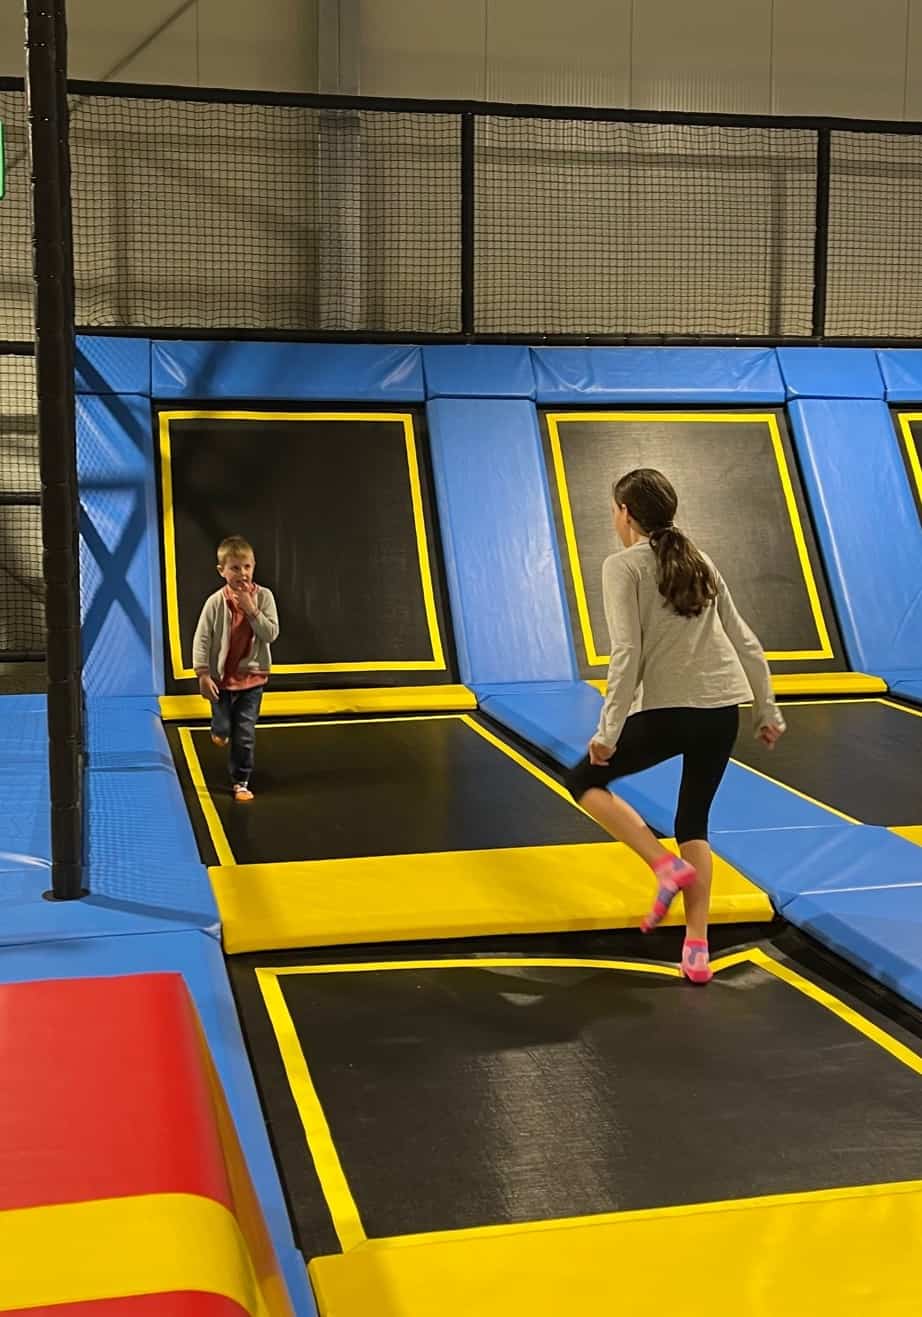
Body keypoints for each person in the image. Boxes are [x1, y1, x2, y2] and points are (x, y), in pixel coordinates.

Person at [565, 469, 785, 984]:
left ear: (626, 514)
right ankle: (697, 948)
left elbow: (626, 654)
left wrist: (607, 731)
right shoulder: (699, 560)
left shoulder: (623, 566)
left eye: (615, 511)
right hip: (721, 713)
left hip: (669, 711)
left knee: (582, 781)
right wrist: (766, 711)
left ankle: (662, 866)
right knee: (693, 823)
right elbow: (746, 641)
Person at [192, 535, 279, 803]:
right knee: (223, 727)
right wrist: (203, 674)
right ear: (222, 571)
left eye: (247, 567)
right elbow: (202, 637)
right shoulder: (215, 603)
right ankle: (219, 729)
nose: (242, 573)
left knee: (245, 733)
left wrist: (252, 611)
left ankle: (240, 780)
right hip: (221, 679)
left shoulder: (263, 598)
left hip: (252, 680)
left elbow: (271, 633)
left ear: (253, 566)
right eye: (235, 568)